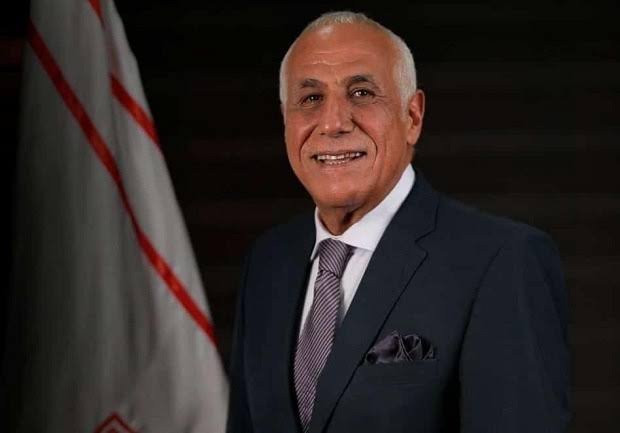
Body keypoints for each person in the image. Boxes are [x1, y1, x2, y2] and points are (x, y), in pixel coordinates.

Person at [227, 11, 571, 433]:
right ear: (286, 120)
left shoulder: (502, 261)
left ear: (413, 117)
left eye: (361, 93)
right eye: (311, 98)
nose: (333, 123)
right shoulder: (268, 262)